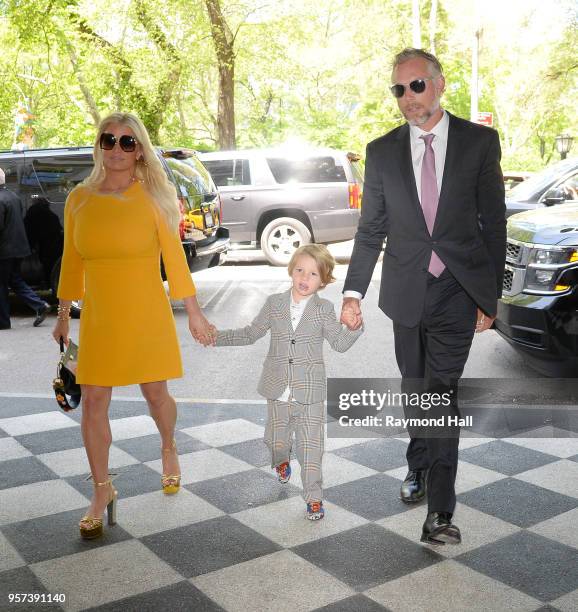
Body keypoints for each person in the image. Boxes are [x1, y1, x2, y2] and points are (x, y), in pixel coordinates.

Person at [341, 48, 506, 545]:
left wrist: (488, 296)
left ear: (439, 84)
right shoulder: (381, 150)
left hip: (457, 290)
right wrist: (352, 292)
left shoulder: (479, 142)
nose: (407, 98)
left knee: (440, 393)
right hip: (406, 291)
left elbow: (493, 223)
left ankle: (439, 510)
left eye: (415, 86)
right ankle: (416, 465)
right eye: (398, 89)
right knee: (417, 389)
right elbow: (371, 230)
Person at [52, 112, 215, 540]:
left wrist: (193, 310)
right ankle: (102, 490)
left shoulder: (156, 197)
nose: (117, 148)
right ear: (99, 145)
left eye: (128, 142)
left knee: (155, 393)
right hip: (101, 316)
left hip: (146, 311)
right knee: (91, 402)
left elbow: (175, 259)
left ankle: (168, 445)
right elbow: (72, 259)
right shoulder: (79, 199)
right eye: (109, 139)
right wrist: (64, 314)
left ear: (139, 149)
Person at [215, 244, 362, 520]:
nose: (305, 278)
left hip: (311, 394)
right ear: (291, 270)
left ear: (324, 280)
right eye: (300, 270)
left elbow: (339, 344)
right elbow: (250, 333)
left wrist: (354, 328)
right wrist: (216, 337)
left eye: (314, 274)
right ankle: (281, 460)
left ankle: (314, 498)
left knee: (311, 450)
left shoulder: (324, 309)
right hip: (278, 390)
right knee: (276, 442)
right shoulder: (275, 304)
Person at [0, 168, 50, 330]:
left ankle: (3, 322)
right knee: (14, 280)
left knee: (2, 285)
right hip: (18, 249)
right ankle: (40, 305)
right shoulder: (13, 196)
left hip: (4, 251)